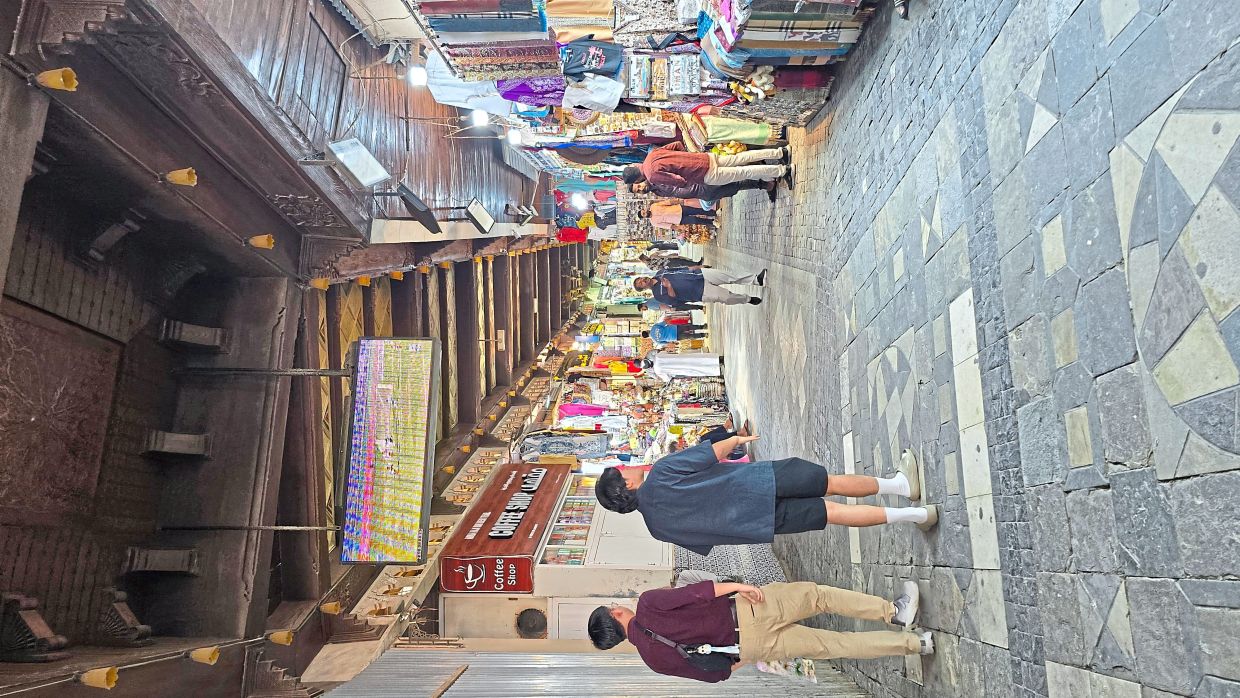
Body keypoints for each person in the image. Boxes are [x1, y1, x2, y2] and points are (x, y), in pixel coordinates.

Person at [595, 437, 938, 556]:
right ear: (624, 486)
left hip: (758, 523)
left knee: (830, 512)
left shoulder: (658, 529)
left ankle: (917, 516)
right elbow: (710, 454)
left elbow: (708, 541)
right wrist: (738, 439)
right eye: (620, 474)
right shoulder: (661, 473)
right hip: (758, 482)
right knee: (828, 483)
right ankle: (900, 487)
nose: (626, 469)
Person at [587, 579, 932, 683]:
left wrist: (745, 655)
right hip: (749, 609)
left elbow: (713, 675)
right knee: (820, 597)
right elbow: (697, 593)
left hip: (752, 648)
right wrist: (739, 586)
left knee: (834, 645)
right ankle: (894, 612)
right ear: (615, 612)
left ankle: (915, 644)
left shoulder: (652, 661)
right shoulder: (646, 604)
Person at [623, 143, 789, 190]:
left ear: (638, 179)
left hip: (702, 174)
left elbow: (679, 181)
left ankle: (783, 170)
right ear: (634, 165)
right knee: (741, 158)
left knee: (744, 172)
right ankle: (780, 152)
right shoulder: (651, 155)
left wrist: (687, 181)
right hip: (704, 158)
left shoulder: (652, 176)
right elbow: (677, 145)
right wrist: (687, 157)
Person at [633, 267, 767, 308]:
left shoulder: (660, 272)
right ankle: (747, 299)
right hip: (699, 292)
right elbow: (674, 301)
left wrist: (695, 267)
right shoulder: (657, 294)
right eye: (641, 284)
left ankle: (756, 280)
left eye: (641, 279)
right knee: (727, 297)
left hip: (699, 275)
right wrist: (669, 287)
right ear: (644, 289)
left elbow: (679, 269)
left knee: (729, 275)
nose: (643, 280)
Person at [639, 199, 716, 229]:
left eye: (643, 212)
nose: (645, 213)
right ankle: (712, 222)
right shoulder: (654, 222)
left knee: (696, 210)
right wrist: (679, 227)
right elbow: (667, 226)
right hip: (679, 220)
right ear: (644, 217)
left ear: (644, 210)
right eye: (644, 214)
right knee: (695, 220)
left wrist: (678, 201)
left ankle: (714, 213)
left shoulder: (654, 206)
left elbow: (667, 202)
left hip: (679, 208)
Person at [642, 320, 707, 345]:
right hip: (674, 328)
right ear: (647, 331)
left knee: (689, 336)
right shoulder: (654, 327)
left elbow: (666, 343)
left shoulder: (655, 340)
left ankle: (703, 335)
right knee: (688, 327)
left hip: (674, 337)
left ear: (648, 337)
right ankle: (702, 327)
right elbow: (665, 323)